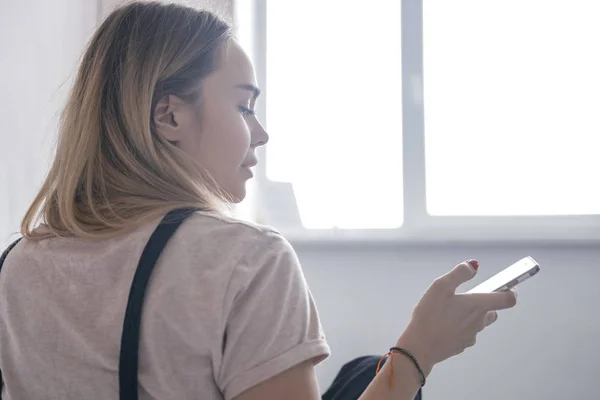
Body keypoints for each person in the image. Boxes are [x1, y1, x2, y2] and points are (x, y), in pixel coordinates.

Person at [0, 2, 517, 399]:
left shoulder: (17, 264)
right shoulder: (247, 260)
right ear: (169, 117)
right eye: (244, 106)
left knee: (364, 370)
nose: (262, 134)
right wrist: (421, 350)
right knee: (384, 369)